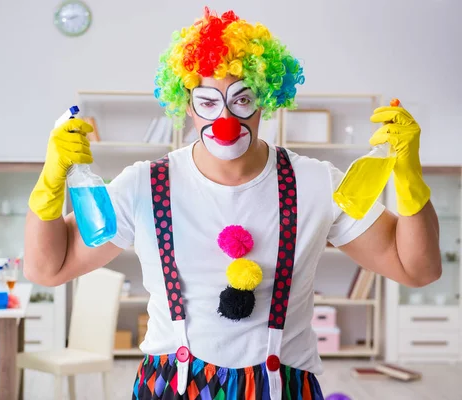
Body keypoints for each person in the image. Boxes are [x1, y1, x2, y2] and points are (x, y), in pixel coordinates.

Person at [24, 7, 441, 400]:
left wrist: (409, 181)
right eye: (207, 102)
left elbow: (416, 269)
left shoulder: (315, 183)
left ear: (265, 100)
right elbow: (47, 269)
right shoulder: (144, 185)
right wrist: (49, 183)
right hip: (171, 384)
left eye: (241, 99)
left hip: (284, 385)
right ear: (187, 105)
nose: (224, 120)